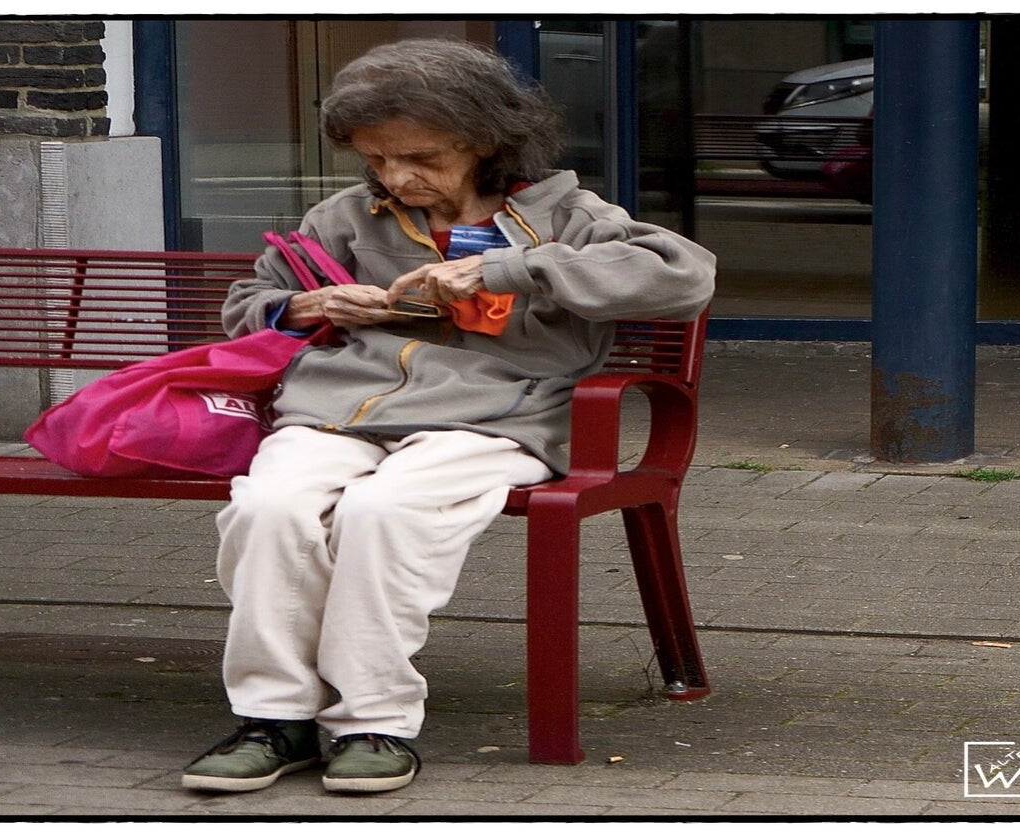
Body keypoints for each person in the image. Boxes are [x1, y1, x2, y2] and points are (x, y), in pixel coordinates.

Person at [182, 37, 715, 796]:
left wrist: (508, 269)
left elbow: (684, 277)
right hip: (336, 410)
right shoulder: (346, 215)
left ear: (484, 140)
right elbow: (247, 305)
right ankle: (275, 717)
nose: (396, 177)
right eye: (376, 158)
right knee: (269, 507)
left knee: (384, 510)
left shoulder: (565, 214)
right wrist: (309, 304)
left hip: (497, 417)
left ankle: (373, 721)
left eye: (420, 158)